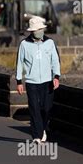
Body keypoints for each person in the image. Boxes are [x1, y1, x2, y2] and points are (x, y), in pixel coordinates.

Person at [16, 16, 61, 144]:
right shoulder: (24, 44)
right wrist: (19, 81)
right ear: (32, 31)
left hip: (47, 81)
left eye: (41, 29)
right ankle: (36, 135)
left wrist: (56, 77)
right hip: (31, 82)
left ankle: (42, 129)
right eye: (37, 29)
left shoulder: (50, 42)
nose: (39, 31)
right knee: (34, 108)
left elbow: (55, 61)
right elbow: (19, 63)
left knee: (46, 108)